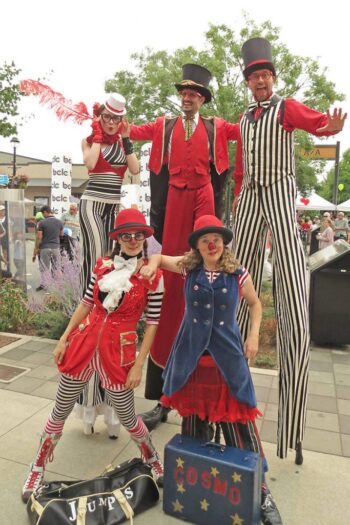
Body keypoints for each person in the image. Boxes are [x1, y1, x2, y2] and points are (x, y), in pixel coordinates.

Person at [232, 37, 347, 462]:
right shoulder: (244, 118)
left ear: (272, 79)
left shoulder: (285, 107)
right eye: (253, 77)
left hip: (279, 192)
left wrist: (328, 127)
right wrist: (237, 202)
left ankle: (293, 431)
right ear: (248, 83)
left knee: (292, 288)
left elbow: (313, 120)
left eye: (264, 76)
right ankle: (228, 399)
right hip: (249, 196)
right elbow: (242, 164)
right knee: (235, 275)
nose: (259, 82)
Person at [141, 215, 282, 525]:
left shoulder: (237, 272)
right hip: (192, 360)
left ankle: (261, 491)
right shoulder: (188, 267)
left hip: (226, 360)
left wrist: (254, 334)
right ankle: (195, 486)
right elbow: (159, 256)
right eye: (205, 239)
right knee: (194, 427)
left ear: (223, 242)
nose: (212, 243)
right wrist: (152, 265)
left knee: (239, 428)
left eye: (216, 238)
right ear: (197, 245)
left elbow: (256, 304)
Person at [21, 209, 165, 503]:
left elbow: (153, 322)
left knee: (126, 415)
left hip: (119, 352)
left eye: (139, 234)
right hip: (83, 345)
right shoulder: (101, 267)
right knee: (60, 409)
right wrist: (63, 339)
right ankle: (37, 467)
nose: (134, 239)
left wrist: (140, 364)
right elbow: (86, 304)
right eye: (127, 235)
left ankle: (151, 455)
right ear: (119, 239)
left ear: (145, 238)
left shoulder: (152, 275)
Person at [130, 64, 240, 430]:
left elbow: (251, 130)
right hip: (174, 199)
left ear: (203, 98)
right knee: (173, 282)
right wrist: (104, 121)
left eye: (194, 92)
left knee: (205, 276)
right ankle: (163, 401)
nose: (188, 96)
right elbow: (129, 130)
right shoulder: (163, 126)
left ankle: (201, 400)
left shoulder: (217, 126)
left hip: (204, 198)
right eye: (184, 91)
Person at [79, 93, 140, 436]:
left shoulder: (122, 139)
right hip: (92, 203)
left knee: (118, 266)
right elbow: (89, 165)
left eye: (117, 119)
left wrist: (126, 138)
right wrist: (98, 136)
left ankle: (110, 309)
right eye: (107, 117)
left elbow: (134, 170)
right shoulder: (92, 139)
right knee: (99, 264)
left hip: (114, 205)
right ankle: (93, 307)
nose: (112, 122)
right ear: (100, 116)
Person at [34, 205, 63, 291]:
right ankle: (58, 287)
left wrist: (37, 248)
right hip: (56, 248)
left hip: (45, 248)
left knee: (44, 268)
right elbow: (61, 235)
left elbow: (39, 237)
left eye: (43, 214)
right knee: (56, 267)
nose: (43, 216)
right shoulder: (59, 222)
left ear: (45, 212)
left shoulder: (42, 223)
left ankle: (45, 286)